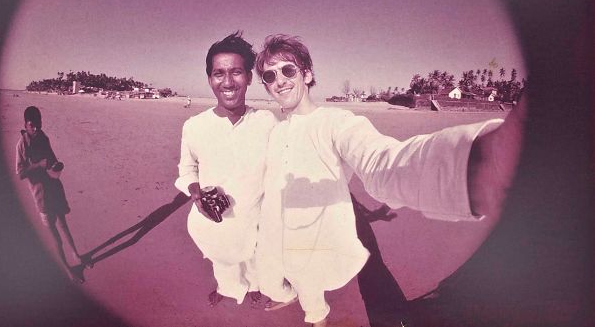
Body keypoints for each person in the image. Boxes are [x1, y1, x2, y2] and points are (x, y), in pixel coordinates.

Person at [254, 34, 526, 327]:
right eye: (270, 76)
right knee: (305, 286)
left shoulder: (335, 122)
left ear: (307, 74)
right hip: (289, 235)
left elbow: (382, 162)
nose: (279, 80)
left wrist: (477, 163)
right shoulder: (274, 132)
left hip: (326, 230)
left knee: (350, 292)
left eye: (288, 70)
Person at [175, 32, 278, 307]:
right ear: (209, 79)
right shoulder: (194, 126)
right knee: (222, 260)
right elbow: (187, 168)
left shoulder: (266, 122)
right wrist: (195, 191)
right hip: (216, 218)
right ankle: (228, 288)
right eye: (219, 73)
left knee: (255, 256)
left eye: (236, 72)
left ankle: (255, 285)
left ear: (249, 77)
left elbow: (284, 165)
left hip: (256, 216)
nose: (228, 82)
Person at [16, 106, 85, 283]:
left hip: (54, 188)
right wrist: (38, 165)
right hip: (41, 197)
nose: (36, 128)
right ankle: (67, 270)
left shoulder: (43, 137)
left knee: (64, 225)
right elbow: (21, 173)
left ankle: (76, 255)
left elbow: (52, 158)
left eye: (38, 123)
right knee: (55, 237)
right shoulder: (21, 145)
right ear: (25, 124)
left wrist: (57, 165)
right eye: (32, 125)